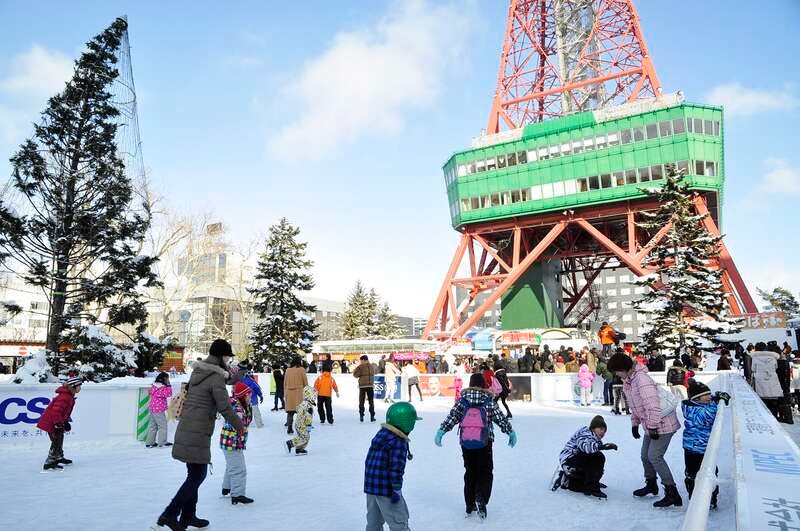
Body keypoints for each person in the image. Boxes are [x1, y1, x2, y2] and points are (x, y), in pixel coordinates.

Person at [156, 339, 245, 531]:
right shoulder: (215, 377)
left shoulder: (201, 371)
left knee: (193, 474)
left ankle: (188, 516)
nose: (229, 360)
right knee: (198, 475)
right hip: (197, 431)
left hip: (190, 427)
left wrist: (238, 374)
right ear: (222, 356)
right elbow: (224, 406)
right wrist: (240, 425)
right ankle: (170, 514)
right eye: (228, 356)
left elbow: (226, 378)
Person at [435, 373, 517, 520]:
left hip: (466, 443)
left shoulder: (463, 400)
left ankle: (469, 504)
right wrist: (510, 432)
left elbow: (452, 417)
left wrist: (441, 431)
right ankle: (481, 497)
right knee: (485, 471)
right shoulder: (489, 400)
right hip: (485, 442)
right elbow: (500, 418)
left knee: (470, 471)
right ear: (484, 385)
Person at [607, 352, 682, 508]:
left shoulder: (641, 380)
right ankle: (651, 484)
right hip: (651, 424)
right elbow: (636, 405)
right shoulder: (629, 381)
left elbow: (652, 405)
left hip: (663, 424)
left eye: (616, 370)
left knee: (654, 456)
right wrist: (634, 423)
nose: (615, 374)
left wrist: (653, 426)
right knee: (645, 456)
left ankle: (672, 492)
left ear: (623, 368)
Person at [364, 402, 420, 531]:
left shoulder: (381, 434)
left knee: (374, 522)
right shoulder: (398, 441)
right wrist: (396, 489)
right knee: (399, 521)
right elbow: (396, 467)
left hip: (371, 487)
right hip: (386, 489)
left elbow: (369, 461)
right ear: (407, 423)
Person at [682, 380, 730, 510]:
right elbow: (707, 415)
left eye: (710, 394)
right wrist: (717, 401)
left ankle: (712, 498)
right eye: (706, 395)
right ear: (697, 398)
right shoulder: (691, 410)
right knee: (693, 474)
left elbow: (708, 406)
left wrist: (715, 398)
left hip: (705, 448)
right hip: (694, 449)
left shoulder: (700, 404)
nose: (709, 396)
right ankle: (695, 499)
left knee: (711, 472)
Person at [554, 415, 618, 498]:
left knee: (594, 471)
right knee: (598, 457)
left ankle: (568, 481)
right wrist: (601, 447)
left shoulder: (595, 439)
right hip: (569, 460)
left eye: (605, 431)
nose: (603, 432)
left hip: (576, 461)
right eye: (601, 429)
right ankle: (592, 487)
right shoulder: (584, 434)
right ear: (593, 428)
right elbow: (585, 447)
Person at [37, 376, 82, 471]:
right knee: (56, 441)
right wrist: (57, 423)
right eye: (79, 386)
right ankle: (49, 462)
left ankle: (58, 457)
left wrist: (65, 422)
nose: (80, 388)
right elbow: (56, 412)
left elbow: (63, 412)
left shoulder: (69, 396)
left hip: (56, 421)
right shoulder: (65, 397)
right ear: (73, 386)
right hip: (51, 422)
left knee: (59, 438)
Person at [221, 381, 254, 505]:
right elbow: (240, 423)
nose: (250, 397)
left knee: (232, 465)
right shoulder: (237, 408)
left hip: (231, 442)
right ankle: (238, 495)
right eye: (248, 395)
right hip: (232, 442)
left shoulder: (240, 405)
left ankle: (227, 488)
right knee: (239, 469)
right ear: (242, 395)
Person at [750, 342, 784, 418]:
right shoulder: (773, 357)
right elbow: (776, 367)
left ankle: (765, 418)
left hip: (760, 381)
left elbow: (753, 369)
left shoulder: (755, 357)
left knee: (763, 402)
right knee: (774, 401)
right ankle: (774, 417)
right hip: (772, 379)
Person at [286, 386, 316, 455]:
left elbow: (297, 409)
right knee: (305, 437)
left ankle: (299, 449)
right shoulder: (309, 406)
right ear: (310, 396)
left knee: (302, 437)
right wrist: (309, 426)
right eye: (314, 396)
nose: (315, 398)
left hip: (298, 423)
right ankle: (291, 443)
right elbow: (308, 418)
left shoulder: (303, 403)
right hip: (303, 425)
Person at [146, 372, 173, 447]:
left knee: (153, 425)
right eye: (167, 378)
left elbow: (150, 392)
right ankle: (162, 442)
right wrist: (168, 385)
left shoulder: (154, 385)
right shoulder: (163, 387)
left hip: (152, 407)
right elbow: (168, 394)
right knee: (163, 426)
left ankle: (150, 442)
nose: (168, 379)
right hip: (158, 409)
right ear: (164, 378)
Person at [284, 357, 308, 434]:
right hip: (299, 393)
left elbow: (285, 382)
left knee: (290, 412)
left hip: (289, 393)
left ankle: (289, 428)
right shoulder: (301, 369)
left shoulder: (288, 370)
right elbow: (305, 382)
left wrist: (285, 393)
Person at [354, 355, 378, 422]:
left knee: (361, 401)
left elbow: (355, 375)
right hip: (370, 386)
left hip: (362, 386)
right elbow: (375, 372)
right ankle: (372, 416)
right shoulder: (371, 366)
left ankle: (361, 416)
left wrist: (357, 368)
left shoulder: (360, 367)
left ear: (364, 360)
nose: (360, 362)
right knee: (371, 402)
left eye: (361, 360)